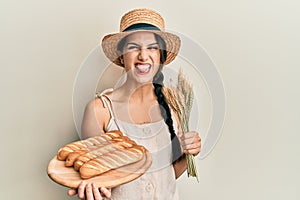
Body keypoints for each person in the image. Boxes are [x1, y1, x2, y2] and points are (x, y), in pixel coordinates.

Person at [68, 8, 201, 200]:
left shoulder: (173, 107)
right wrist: (93, 188)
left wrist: (188, 153)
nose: (143, 56)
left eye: (152, 47)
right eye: (133, 47)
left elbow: (167, 175)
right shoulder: (100, 110)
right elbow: (95, 178)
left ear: (161, 57)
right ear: (122, 56)